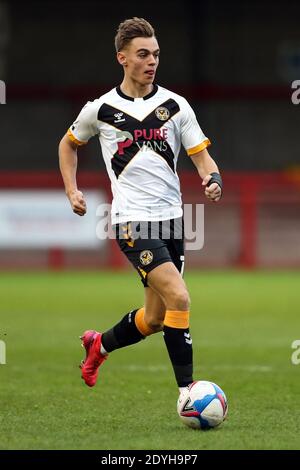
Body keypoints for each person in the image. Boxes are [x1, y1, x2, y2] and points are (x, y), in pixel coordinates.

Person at [58, 17, 222, 395]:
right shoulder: (99, 109)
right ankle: (188, 392)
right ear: (122, 58)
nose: (152, 62)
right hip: (132, 221)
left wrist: (213, 179)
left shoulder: (176, 106)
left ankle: (98, 345)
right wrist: (72, 190)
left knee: (155, 318)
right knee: (180, 297)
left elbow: (203, 159)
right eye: (143, 54)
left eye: (156, 55)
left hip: (173, 222)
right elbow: (68, 144)